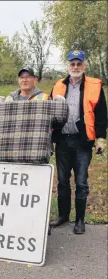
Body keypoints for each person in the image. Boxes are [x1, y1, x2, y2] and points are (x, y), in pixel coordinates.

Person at [49, 50, 107, 234]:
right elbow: (49, 113)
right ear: (67, 66)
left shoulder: (95, 86)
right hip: (63, 141)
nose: (75, 67)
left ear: (84, 66)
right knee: (62, 181)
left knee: (81, 182)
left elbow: (102, 115)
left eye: (78, 64)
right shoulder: (58, 85)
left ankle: (80, 220)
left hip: (82, 142)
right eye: (72, 64)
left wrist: (101, 139)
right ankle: (63, 216)